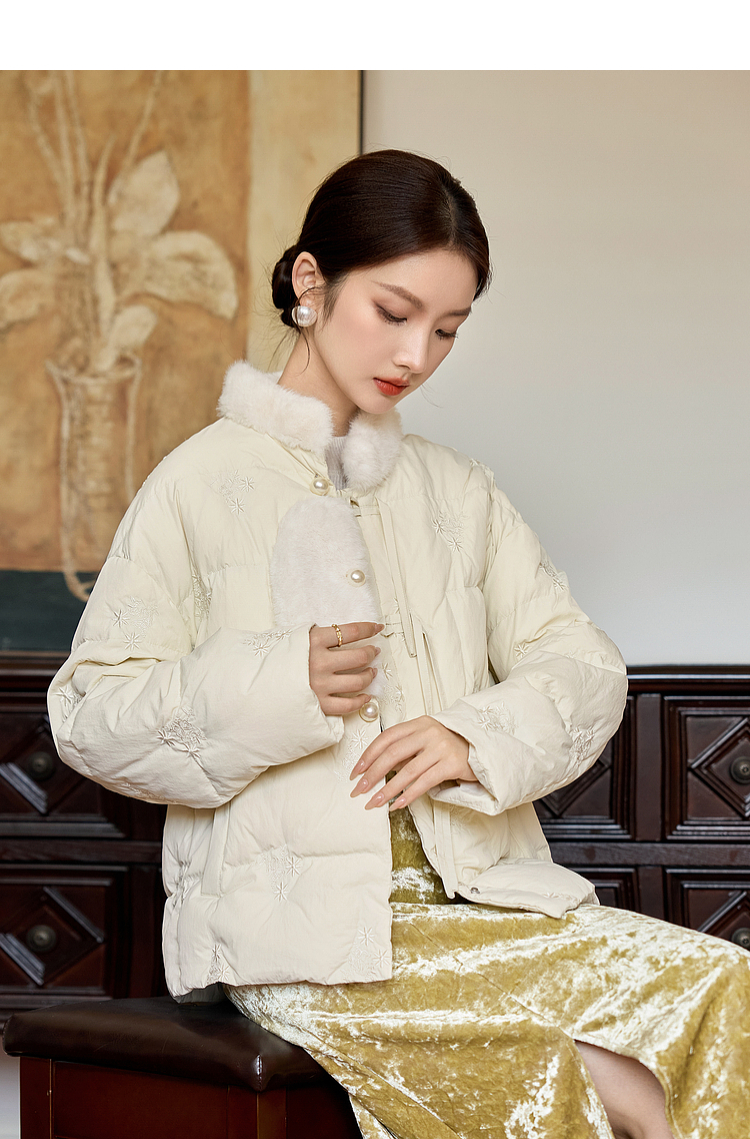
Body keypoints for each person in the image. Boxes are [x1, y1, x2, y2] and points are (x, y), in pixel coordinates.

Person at [48, 150, 748, 1139]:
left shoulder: (457, 490)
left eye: (448, 328)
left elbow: (583, 663)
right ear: (311, 283)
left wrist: (473, 734)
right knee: (593, 1073)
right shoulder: (197, 484)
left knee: (722, 984)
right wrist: (278, 682)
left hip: (487, 903)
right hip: (300, 941)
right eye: (394, 311)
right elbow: (88, 714)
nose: (417, 353)